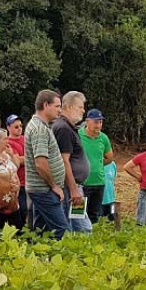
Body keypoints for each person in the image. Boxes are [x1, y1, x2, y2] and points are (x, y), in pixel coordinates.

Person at [25, 90, 69, 239]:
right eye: (57, 106)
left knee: (42, 230)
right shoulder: (39, 129)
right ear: (46, 105)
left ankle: (40, 258)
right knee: (62, 229)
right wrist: (54, 186)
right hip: (43, 189)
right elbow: (40, 163)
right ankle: (61, 260)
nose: (60, 110)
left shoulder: (42, 126)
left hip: (42, 189)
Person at [52, 91, 92, 234]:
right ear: (69, 107)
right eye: (80, 107)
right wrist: (74, 189)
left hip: (74, 186)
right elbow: (64, 160)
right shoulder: (63, 129)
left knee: (76, 224)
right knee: (83, 227)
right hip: (71, 187)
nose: (83, 110)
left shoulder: (67, 127)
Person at [79, 109, 114, 223]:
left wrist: (98, 165)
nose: (98, 125)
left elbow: (109, 157)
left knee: (94, 215)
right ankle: (76, 238)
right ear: (87, 121)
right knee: (78, 214)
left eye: (100, 122)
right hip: (82, 183)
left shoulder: (103, 138)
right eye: (95, 122)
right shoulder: (78, 135)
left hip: (99, 182)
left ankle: (92, 238)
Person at [0, 128, 22, 229]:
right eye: (5, 139)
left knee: (18, 230)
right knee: (0, 231)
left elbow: (16, 166)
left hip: (13, 203)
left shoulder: (7, 154)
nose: (7, 141)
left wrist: (12, 154)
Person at [5, 114, 28, 228]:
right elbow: (17, 162)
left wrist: (22, 158)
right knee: (20, 210)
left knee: (27, 210)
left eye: (20, 126)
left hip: (28, 181)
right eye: (16, 127)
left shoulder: (25, 139)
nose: (19, 129)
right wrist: (28, 158)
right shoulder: (8, 142)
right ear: (8, 128)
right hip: (17, 182)